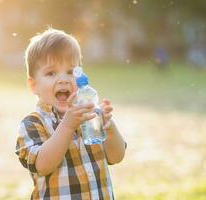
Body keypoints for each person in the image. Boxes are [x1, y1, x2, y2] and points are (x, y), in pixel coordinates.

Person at [15, 28, 127, 200]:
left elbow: (116, 156)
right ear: (33, 85)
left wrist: (109, 128)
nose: (63, 79)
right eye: (51, 73)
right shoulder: (33, 124)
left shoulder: (90, 116)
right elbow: (43, 165)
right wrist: (67, 126)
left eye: (70, 72)